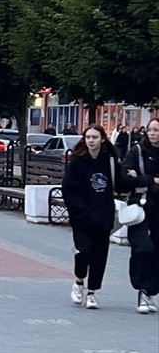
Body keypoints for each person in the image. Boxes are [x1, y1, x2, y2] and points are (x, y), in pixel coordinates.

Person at [61, 124, 139, 310]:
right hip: (81, 217)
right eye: (88, 137)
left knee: (99, 256)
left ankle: (92, 292)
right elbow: (68, 189)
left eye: (95, 137)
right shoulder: (77, 161)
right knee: (83, 250)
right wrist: (78, 210)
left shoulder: (110, 161)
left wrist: (134, 180)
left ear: (102, 139)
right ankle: (79, 281)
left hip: (103, 215)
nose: (91, 141)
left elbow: (118, 185)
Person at [123, 117, 159, 313]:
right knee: (143, 247)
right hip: (141, 208)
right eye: (150, 129)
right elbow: (127, 176)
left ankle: (151, 292)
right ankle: (142, 289)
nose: (153, 133)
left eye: (156, 130)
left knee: (157, 250)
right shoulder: (136, 152)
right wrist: (152, 180)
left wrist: (144, 182)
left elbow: (139, 179)